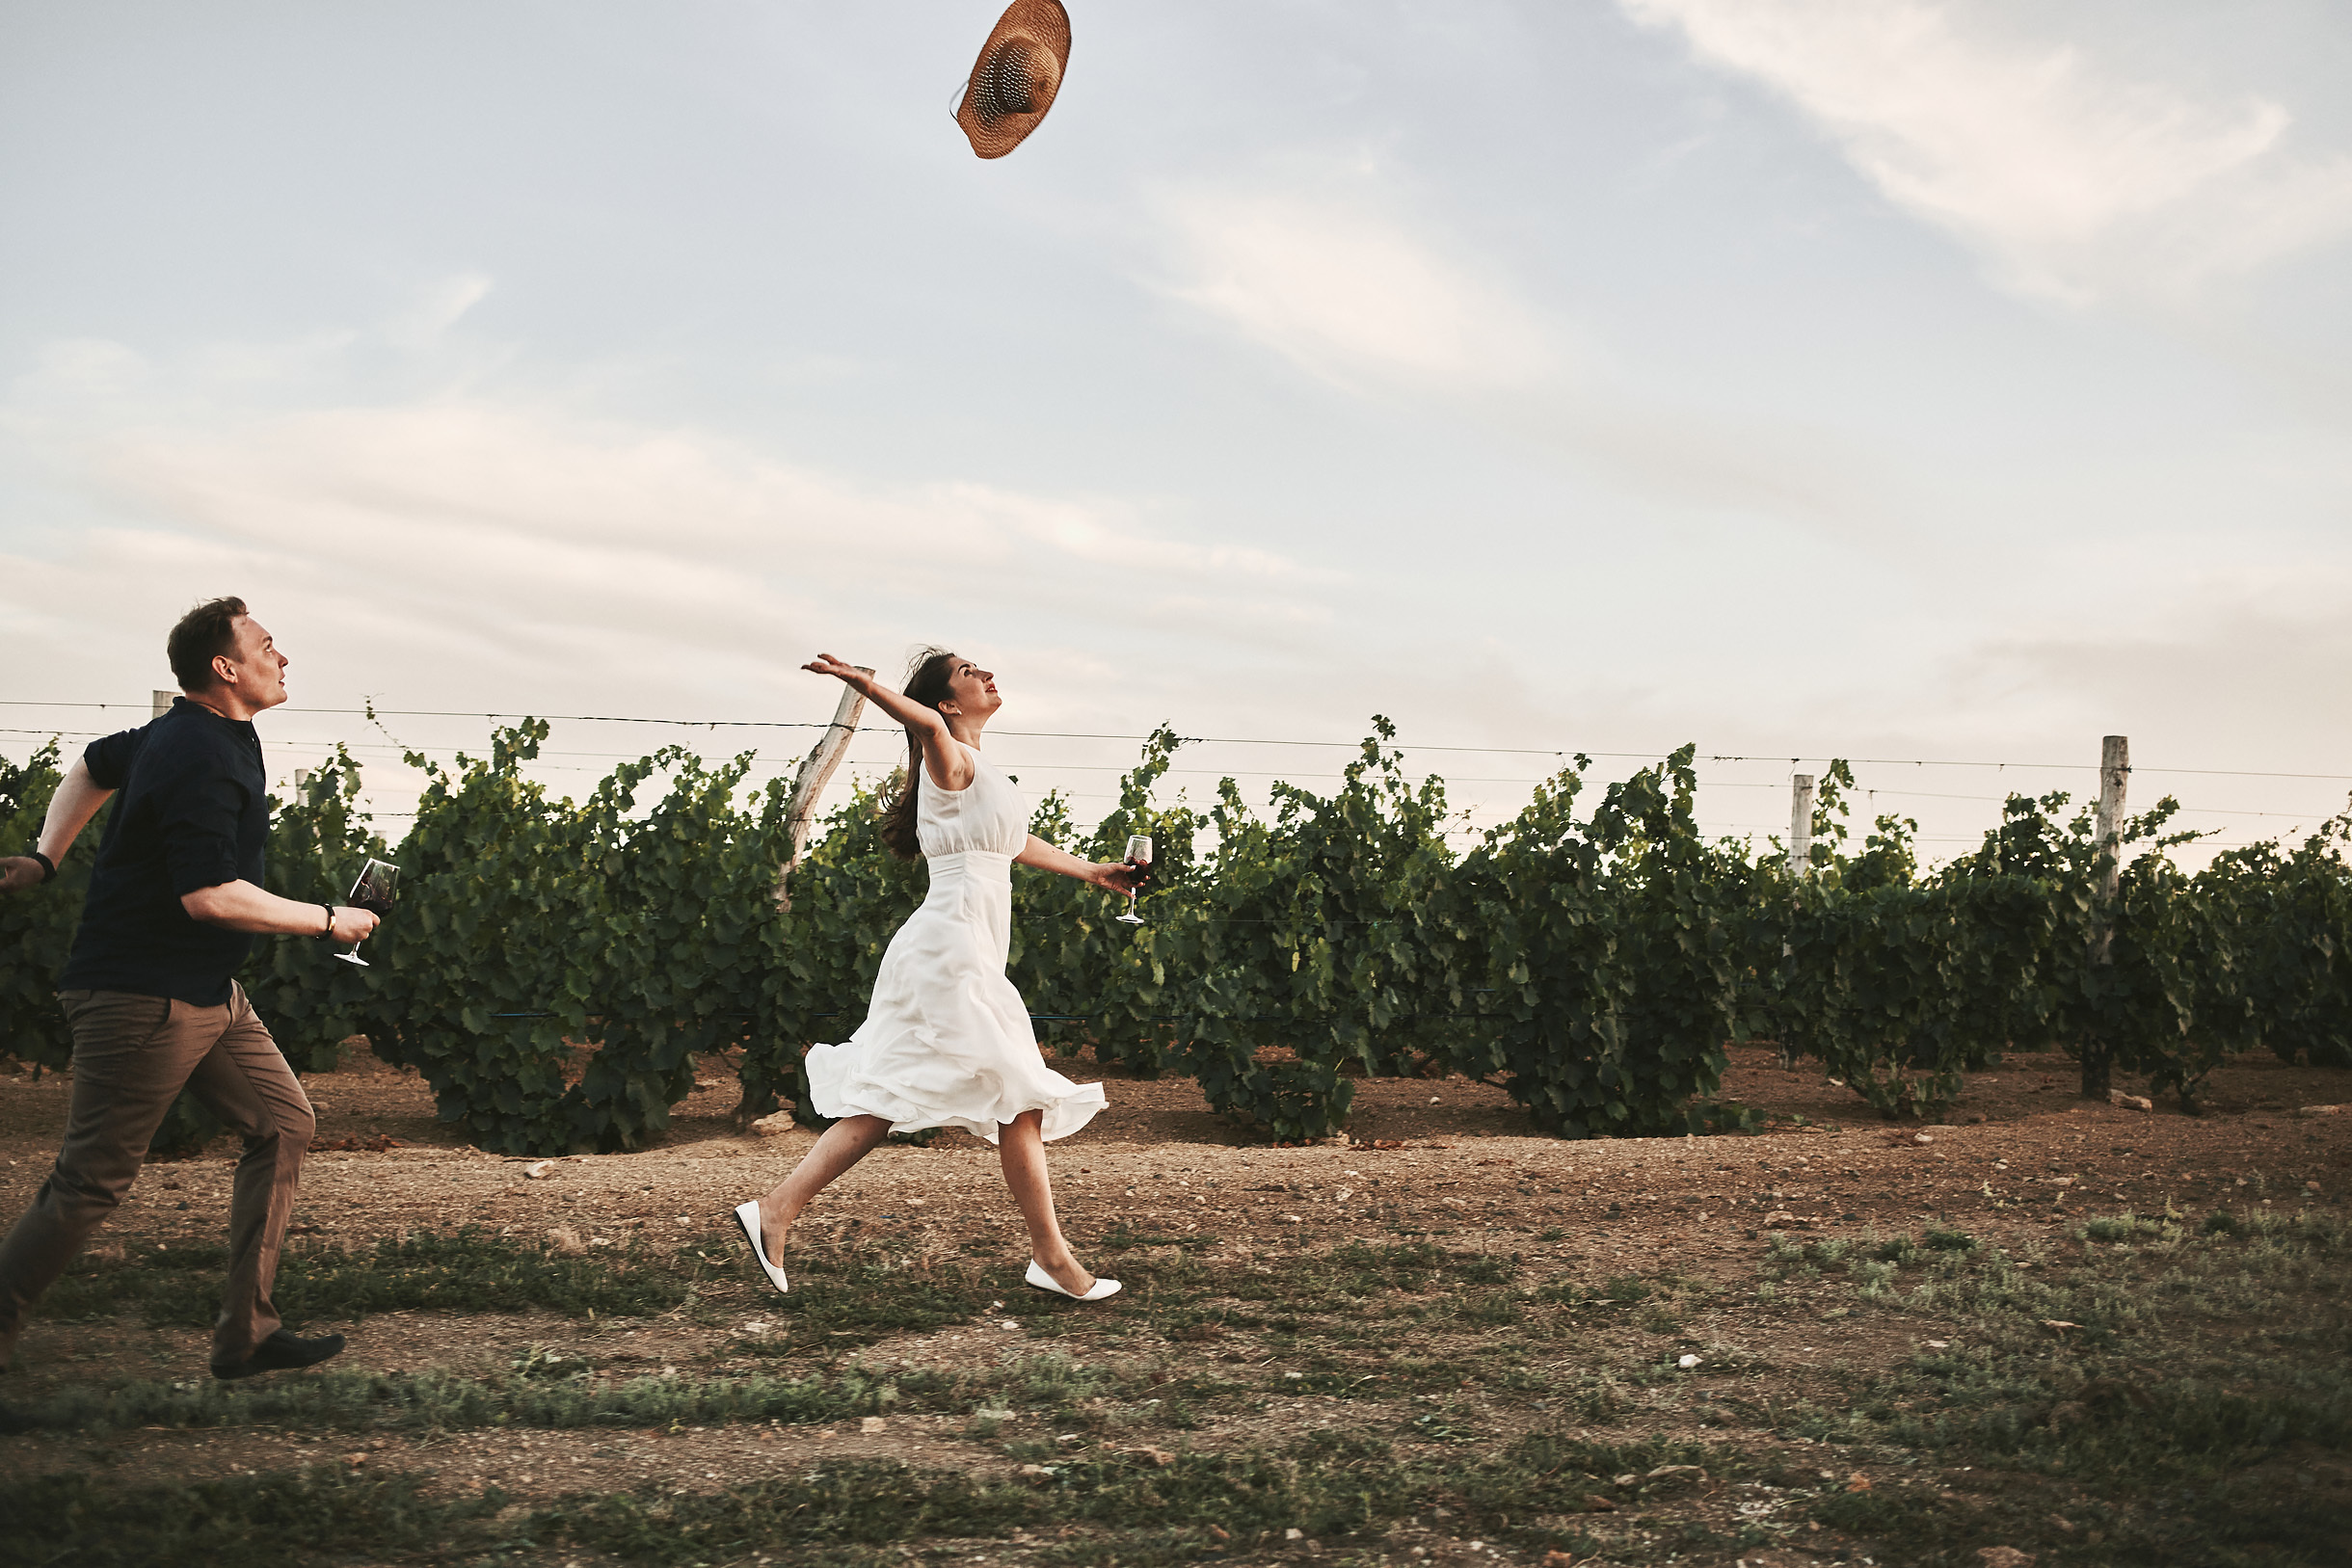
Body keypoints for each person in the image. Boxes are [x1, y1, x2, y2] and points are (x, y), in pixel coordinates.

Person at [0, 598, 380, 1378]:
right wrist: (326, 919)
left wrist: (45, 857)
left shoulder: (191, 733)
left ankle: (246, 1335)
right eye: (267, 645)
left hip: (204, 989)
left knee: (284, 1122)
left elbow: (93, 765)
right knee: (90, 1182)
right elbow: (208, 895)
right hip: (141, 995)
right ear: (225, 667)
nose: (283, 657)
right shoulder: (199, 751)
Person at [734, 649, 1140, 1301]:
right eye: (968, 673)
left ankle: (774, 1211)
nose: (986, 674)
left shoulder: (979, 768)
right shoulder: (945, 756)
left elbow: (1010, 843)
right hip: (950, 950)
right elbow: (924, 725)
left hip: (958, 947)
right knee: (1018, 1092)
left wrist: (1092, 870)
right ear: (947, 703)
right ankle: (1052, 1259)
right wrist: (861, 684)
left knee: (892, 1098)